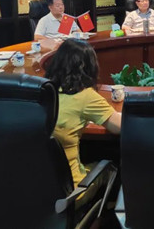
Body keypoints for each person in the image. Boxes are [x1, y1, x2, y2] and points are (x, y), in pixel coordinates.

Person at [45, 39, 121, 207]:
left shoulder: (41, 92)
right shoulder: (85, 96)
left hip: (35, 191)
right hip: (70, 195)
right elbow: (120, 127)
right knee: (112, 164)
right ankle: (107, 216)